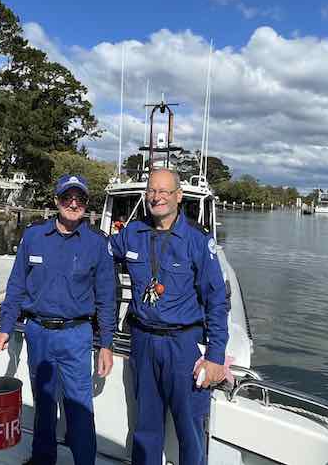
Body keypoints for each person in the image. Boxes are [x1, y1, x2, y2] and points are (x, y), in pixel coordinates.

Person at [0, 174, 116, 465]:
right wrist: (5, 328)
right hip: (38, 333)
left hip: (77, 335)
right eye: (67, 197)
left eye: (80, 199)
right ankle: (42, 458)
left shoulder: (98, 244)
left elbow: (106, 299)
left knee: (79, 407)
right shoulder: (33, 236)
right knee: (44, 402)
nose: (73, 204)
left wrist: (106, 344)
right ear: (56, 200)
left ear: (86, 204)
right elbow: (16, 285)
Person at [110, 168, 228, 465]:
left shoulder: (197, 241)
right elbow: (98, 256)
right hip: (143, 342)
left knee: (190, 429)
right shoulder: (131, 235)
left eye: (164, 191)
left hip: (183, 345)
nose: (156, 197)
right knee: (146, 427)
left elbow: (216, 299)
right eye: (151, 190)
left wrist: (215, 355)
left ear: (179, 196)